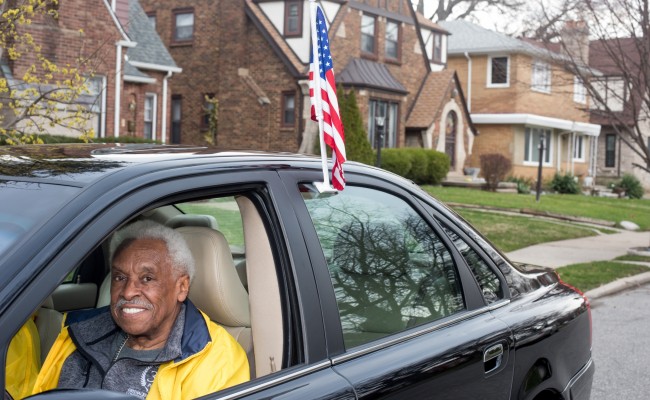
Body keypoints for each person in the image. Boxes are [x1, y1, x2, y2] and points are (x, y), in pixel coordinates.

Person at [32, 220, 249, 399]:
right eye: (120, 277)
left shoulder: (215, 359)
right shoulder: (76, 332)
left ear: (181, 287)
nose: (127, 292)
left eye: (147, 278)